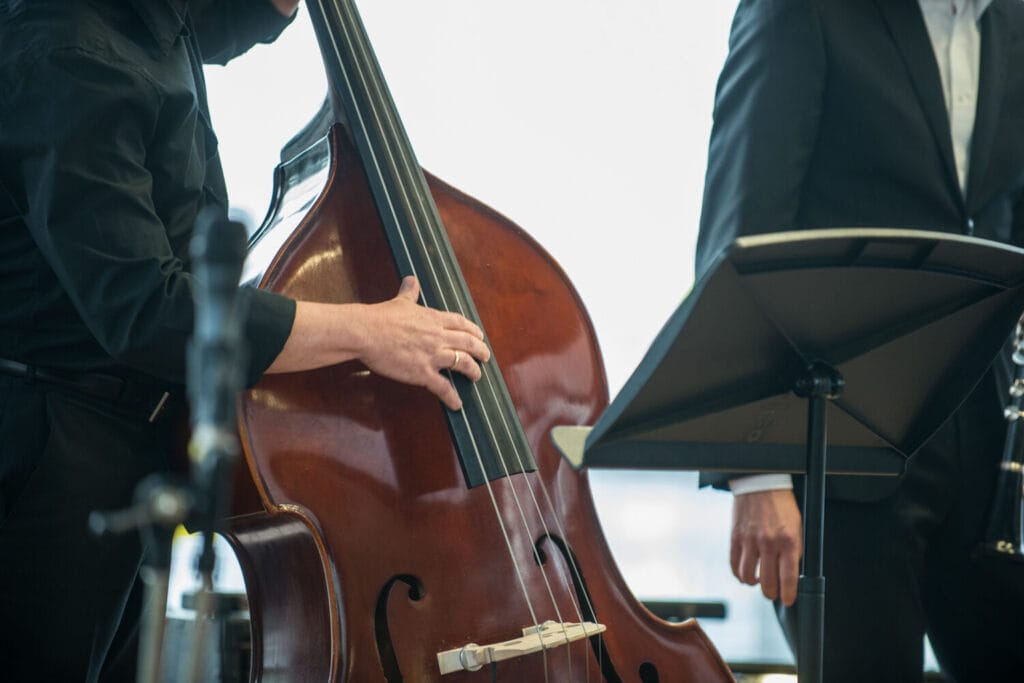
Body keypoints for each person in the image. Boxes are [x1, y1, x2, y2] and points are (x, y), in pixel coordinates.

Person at [0, 1, 490, 680]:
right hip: (53, 455)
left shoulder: (136, 19)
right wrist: (368, 331)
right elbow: (149, 309)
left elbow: (208, 24)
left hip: (134, 439)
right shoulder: (64, 46)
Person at [696, 0, 1024, 680]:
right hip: (839, 457)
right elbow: (740, 246)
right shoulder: (800, 12)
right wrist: (753, 469)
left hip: (990, 460)